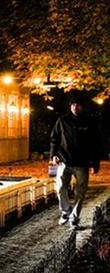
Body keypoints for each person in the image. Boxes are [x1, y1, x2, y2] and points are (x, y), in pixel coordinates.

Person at [50, 95, 102, 230]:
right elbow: (54, 138)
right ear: (70, 106)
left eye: (78, 105)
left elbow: (96, 143)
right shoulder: (62, 121)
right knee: (60, 188)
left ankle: (74, 218)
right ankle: (66, 211)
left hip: (82, 163)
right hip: (64, 161)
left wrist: (95, 163)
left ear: (82, 107)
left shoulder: (90, 122)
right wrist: (53, 154)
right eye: (73, 104)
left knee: (80, 192)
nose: (75, 107)